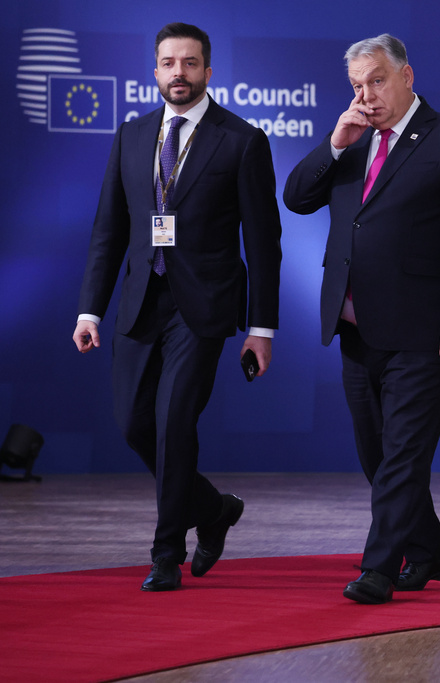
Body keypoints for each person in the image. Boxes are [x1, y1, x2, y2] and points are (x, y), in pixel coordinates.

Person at [284, 34, 440, 604]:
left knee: (403, 454)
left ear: (406, 74)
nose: (367, 94)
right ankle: (428, 552)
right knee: (377, 457)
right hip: (356, 328)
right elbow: (298, 198)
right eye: (357, 86)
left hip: (426, 330)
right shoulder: (354, 141)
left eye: (376, 80)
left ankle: (379, 567)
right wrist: (335, 142)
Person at [73, 22, 282, 592]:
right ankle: (213, 510)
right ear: (156, 69)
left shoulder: (241, 140)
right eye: (169, 63)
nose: (179, 74)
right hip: (140, 302)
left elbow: (264, 244)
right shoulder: (132, 136)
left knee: (173, 424)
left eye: (190, 64)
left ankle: (166, 553)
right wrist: (89, 310)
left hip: (204, 308)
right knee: (133, 424)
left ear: (208, 72)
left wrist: (260, 327)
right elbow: (107, 232)